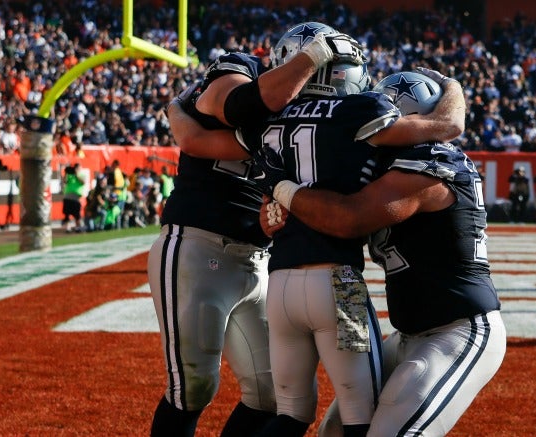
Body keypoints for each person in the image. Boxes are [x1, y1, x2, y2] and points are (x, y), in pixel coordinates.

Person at [178, 52, 465, 436]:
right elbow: (446, 125)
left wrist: (174, 108)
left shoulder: (272, 118)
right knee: (362, 410)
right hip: (339, 283)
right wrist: (453, 86)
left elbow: (195, 140)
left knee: (291, 413)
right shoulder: (360, 109)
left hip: (279, 286)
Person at [254, 71, 506, 436]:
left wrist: (280, 187)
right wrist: (277, 210)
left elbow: (348, 218)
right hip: (403, 331)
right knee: (336, 430)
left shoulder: (430, 164)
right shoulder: (382, 168)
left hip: (458, 329)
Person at [149, 23, 366, 437]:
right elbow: (216, 126)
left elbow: (195, 138)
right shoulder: (261, 88)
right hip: (308, 280)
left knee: (300, 402)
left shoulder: (340, 127)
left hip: (323, 281)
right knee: (291, 400)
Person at [61, 163, 86, 232]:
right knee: (67, 214)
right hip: (67, 197)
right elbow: (64, 181)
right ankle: (67, 228)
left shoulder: (82, 175)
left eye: (78, 168)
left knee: (77, 214)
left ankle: (78, 227)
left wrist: (76, 174)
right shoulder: (69, 175)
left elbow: (83, 182)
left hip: (76, 198)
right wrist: (66, 173)